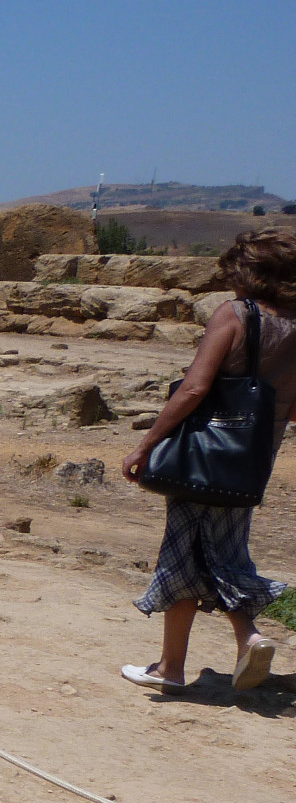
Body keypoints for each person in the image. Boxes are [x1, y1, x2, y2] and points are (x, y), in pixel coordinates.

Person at [121, 230, 296, 693]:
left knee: (186, 550)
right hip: (251, 460)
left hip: (201, 453)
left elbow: (196, 388)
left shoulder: (234, 315)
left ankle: (192, 660)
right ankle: (201, 655)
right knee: (220, 550)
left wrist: (146, 445)